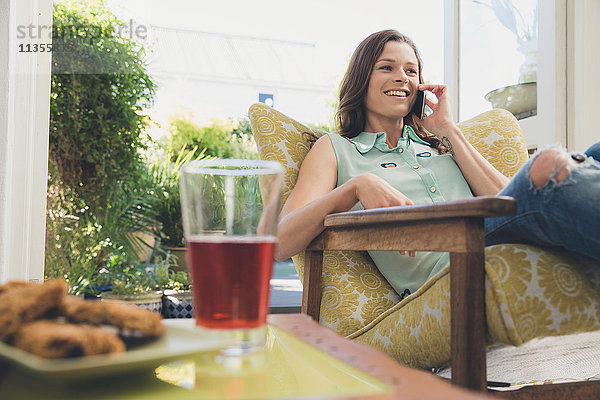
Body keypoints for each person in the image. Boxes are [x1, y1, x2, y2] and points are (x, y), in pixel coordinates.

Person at [275, 29, 600, 299]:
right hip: (450, 267)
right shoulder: (336, 149)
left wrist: (448, 130)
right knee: (549, 163)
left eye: (411, 71)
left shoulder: (439, 142)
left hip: (501, 236)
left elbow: (512, 203)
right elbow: (281, 241)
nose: (401, 77)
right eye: (386, 67)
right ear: (362, 78)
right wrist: (357, 187)